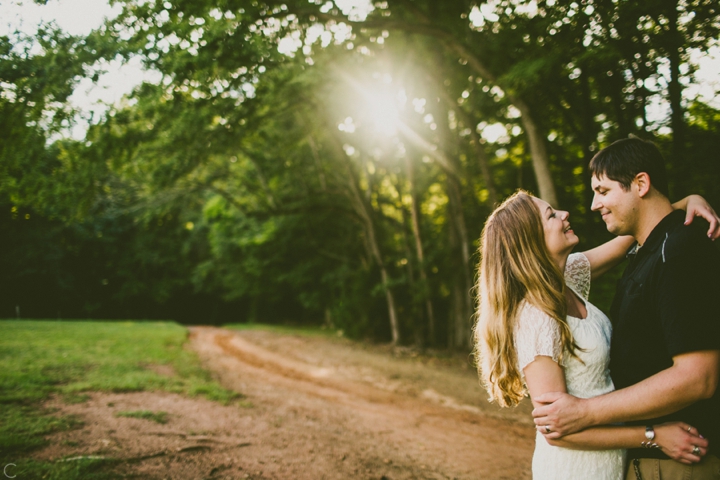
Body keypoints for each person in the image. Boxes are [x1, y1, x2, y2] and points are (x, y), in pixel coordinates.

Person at [473, 187, 719, 479]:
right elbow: (557, 431)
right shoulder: (535, 317)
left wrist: (686, 202)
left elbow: (640, 229)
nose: (564, 214)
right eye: (551, 215)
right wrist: (654, 435)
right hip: (576, 467)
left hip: (613, 460)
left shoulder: (567, 276)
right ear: (531, 242)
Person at [531, 137, 720, 479]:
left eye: (602, 191)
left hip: (682, 457)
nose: (591, 205)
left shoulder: (676, 252)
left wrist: (586, 412)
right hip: (635, 457)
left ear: (641, 184)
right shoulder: (643, 252)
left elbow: (698, 377)